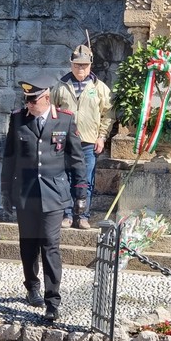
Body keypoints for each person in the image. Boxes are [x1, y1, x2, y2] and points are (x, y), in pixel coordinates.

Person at [1, 74, 87, 321]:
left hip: (53, 195)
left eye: (33, 100)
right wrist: (6, 191)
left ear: (46, 98)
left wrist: (80, 195)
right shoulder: (18, 119)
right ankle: (32, 287)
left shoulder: (66, 121)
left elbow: (77, 161)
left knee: (50, 245)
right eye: (26, 100)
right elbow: (9, 158)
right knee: (28, 245)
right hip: (26, 194)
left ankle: (52, 301)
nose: (28, 104)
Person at [51, 43, 113, 230]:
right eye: (77, 65)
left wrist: (102, 136)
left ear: (91, 65)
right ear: (71, 64)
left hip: (88, 142)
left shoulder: (100, 88)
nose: (81, 68)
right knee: (64, 179)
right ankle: (67, 215)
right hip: (64, 141)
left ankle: (83, 216)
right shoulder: (60, 86)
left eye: (84, 65)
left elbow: (108, 114)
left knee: (85, 180)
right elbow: (52, 112)